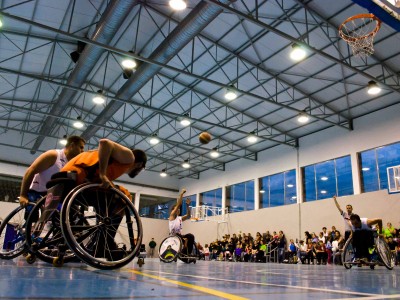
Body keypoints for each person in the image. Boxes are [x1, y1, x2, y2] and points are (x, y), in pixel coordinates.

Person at [19, 135, 86, 219]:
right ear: (72, 145)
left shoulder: (72, 164)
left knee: (72, 215)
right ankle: (27, 228)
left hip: (54, 194)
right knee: (32, 218)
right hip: (37, 192)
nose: (83, 151)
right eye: (81, 147)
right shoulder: (53, 155)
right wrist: (23, 195)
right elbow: (30, 171)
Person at [168, 188, 195, 257]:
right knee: (182, 237)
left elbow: (188, 215)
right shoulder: (172, 215)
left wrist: (187, 206)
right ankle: (184, 244)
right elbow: (179, 204)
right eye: (177, 209)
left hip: (180, 236)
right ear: (174, 210)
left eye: (179, 209)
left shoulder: (180, 218)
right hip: (173, 235)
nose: (179, 210)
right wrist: (182, 194)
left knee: (190, 236)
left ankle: (187, 253)